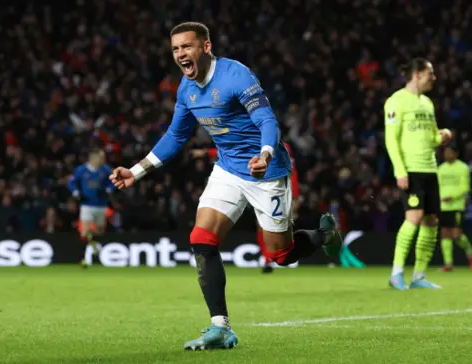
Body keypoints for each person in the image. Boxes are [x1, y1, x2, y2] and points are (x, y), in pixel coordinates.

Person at [110, 22, 342, 350]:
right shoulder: (186, 90)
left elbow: (267, 120)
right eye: (175, 49)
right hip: (229, 170)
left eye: (186, 47)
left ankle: (324, 236)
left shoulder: (236, 76)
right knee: (201, 238)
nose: (180, 55)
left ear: (205, 47)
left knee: (282, 255)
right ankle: (220, 327)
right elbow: (176, 135)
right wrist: (137, 171)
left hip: (266, 171)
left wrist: (264, 153)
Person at [384, 58, 452, 290]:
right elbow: (391, 139)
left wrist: (442, 136)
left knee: (431, 221)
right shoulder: (396, 101)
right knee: (414, 217)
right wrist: (400, 170)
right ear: (417, 74)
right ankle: (396, 273)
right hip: (411, 169)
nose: (434, 78)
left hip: (430, 168)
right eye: (430, 74)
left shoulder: (428, 104)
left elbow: (432, 137)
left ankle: (419, 276)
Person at [190, 140, 301, 274]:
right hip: (250, 185)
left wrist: (294, 195)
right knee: (261, 225)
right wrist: (206, 152)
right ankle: (268, 259)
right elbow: (233, 153)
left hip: (272, 188)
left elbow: (290, 169)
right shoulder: (249, 138)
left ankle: (318, 237)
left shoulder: (277, 144)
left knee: (281, 232)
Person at [68, 148, 115, 267]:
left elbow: (113, 181)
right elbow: (71, 183)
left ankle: (94, 247)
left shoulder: (105, 170)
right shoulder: (81, 170)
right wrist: (77, 194)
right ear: (93, 158)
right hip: (87, 205)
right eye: (101, 157)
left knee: (99, 231)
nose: (103, 159)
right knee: (85, 232)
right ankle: (82, 258)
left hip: (101, 205)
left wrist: (108, 190)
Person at [437, 146, 472, 271]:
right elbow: (437, 186)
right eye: (445, 152)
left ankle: (471, 253)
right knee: (445, 233)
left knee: (456, 234)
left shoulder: (463, 168)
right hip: (443, 206)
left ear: (456, 153)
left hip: (457, 205)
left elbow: (465, 187)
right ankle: (448, 264)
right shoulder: (441, 169)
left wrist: (452, 197)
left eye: (449, 152)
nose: (447, 154)